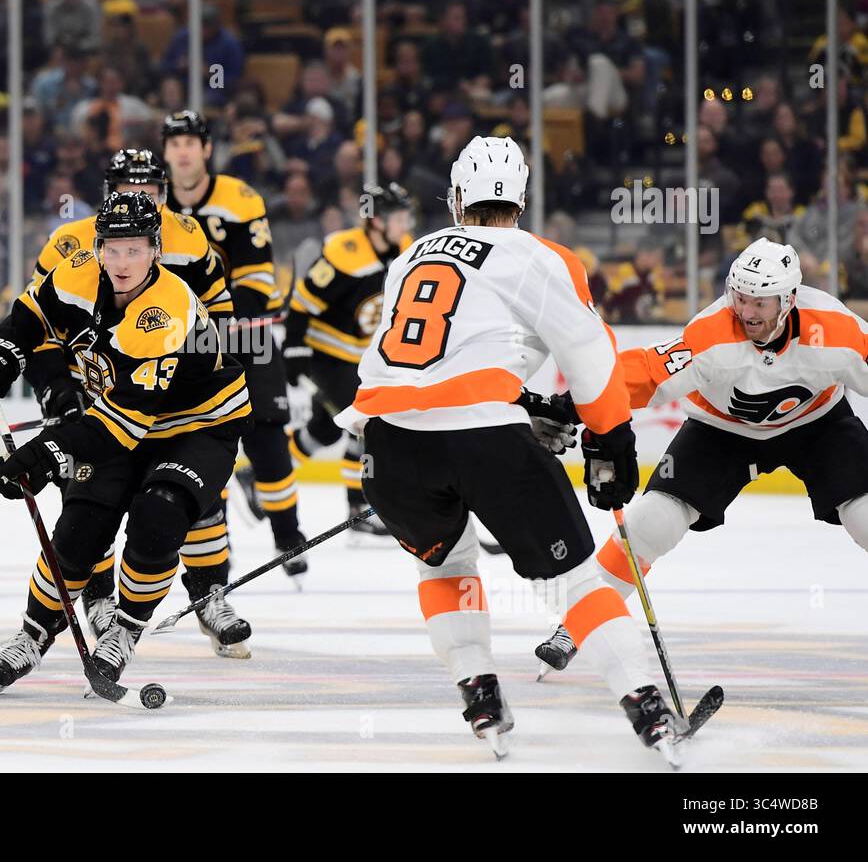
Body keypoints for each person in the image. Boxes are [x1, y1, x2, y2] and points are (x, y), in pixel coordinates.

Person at [334, 136, 681, 761]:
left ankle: (480, 692)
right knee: (574, 583)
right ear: (521, 199)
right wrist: (612, 439)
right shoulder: (539, 254)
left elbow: (430, 360)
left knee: (444, 566)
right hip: (484, 442)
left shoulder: (411, 252)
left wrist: (522, 406)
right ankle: (648, 708)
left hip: (388, 446)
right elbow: (590, 355)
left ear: (457, 195)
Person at [0, 192, 252, 693]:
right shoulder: (76, 271)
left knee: (159, 514)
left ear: (155, 250)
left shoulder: (166, 308)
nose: (121, 262)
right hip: (122, 417)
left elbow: (126, 423)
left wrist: (49, 451)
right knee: (80, 526)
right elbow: (31, 317)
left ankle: (124, 630)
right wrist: (1, 351)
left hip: (195, 425)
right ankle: (32, 635)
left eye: (134, 250)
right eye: (112, 249)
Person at [533, 238, 868, 675]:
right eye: (740, 296)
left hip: (818, 424)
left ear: (788, 299)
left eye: (760, 302)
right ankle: (576, 625)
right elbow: (645, 375)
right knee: (650, 522)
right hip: (720, 430)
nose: (747, 311)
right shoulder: (711, 333)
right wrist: (573, 402)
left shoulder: (836, 329)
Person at [26, 148, 253, 657]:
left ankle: (207, 593)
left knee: (188, 500)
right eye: (131, 188)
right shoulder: (70, 244)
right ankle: (99, 601)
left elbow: (219, 313)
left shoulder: (189, 238)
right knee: (89, 502)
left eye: (152, 189)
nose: (142, 198)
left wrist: (180, 367)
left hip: (175, 398)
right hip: (108, 393)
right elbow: (41, 327)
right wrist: (57, 388)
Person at [161, 110, 308, 574]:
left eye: (191, 142)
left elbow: (256, 274)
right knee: (202, 436)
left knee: (267, 435)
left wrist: (228, 322)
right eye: (175, 143)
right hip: (183, 342)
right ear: (166, 153)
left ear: (207, 149)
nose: (183, 150)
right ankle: (216, 541)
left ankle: (287, 534)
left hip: (248, 333)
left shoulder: (240, 199)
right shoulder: (155, 205)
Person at [284, 183, 413, 540]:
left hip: (364, 357)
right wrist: (293, 349)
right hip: (326, 356)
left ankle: (266, 477)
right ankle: (359, 511)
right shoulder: (345, 252)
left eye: (405, 216)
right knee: (367, 421)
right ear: (375, 222)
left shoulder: (403, 248)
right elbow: (303, 303)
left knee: (322, 430)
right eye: (397, 217)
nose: (405, 224)